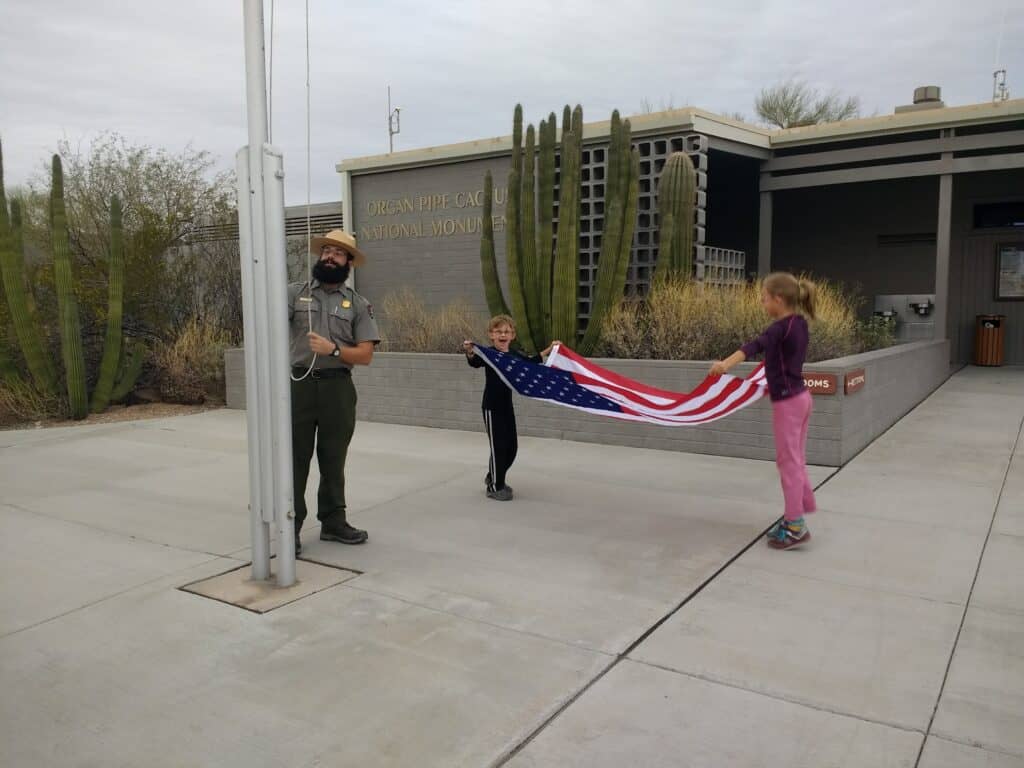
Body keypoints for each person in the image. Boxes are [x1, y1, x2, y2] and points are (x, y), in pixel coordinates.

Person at [710, 273, 818, 549]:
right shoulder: (800, 323)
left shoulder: (779, 328)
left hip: (788, 404)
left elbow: (752, 347)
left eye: (764, 298)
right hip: (802, 398)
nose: (761, 303)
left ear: (778, 300)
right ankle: (800, 509)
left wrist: (724, 365)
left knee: (788, 463)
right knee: (797, 459)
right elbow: (778, 360)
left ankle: (795, 526)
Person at [289, 229, 380, 555]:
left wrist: (334, 350)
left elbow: (366, 354)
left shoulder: (358, 304)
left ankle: (333, 521)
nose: (329, 256)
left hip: (337, 389)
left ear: (349, 262)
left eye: (338, 253)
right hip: (298, 385)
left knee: (332, 458)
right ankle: (291, 526)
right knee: (294, 459)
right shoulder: (293, 294)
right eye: (326, 250)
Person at [463, 315, 559, 500]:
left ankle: (494, 476)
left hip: (507, 407)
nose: (503, 334)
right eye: (498, 331)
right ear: (491, 335)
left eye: (507, 331)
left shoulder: (513, 355)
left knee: (511, 449)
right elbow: (474, 362)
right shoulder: (489, 354)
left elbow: (530, 363)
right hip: (491, 407)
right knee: (498, 447)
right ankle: (494, 486)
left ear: (513, 335)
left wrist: (549, 350)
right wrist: (469, 351)